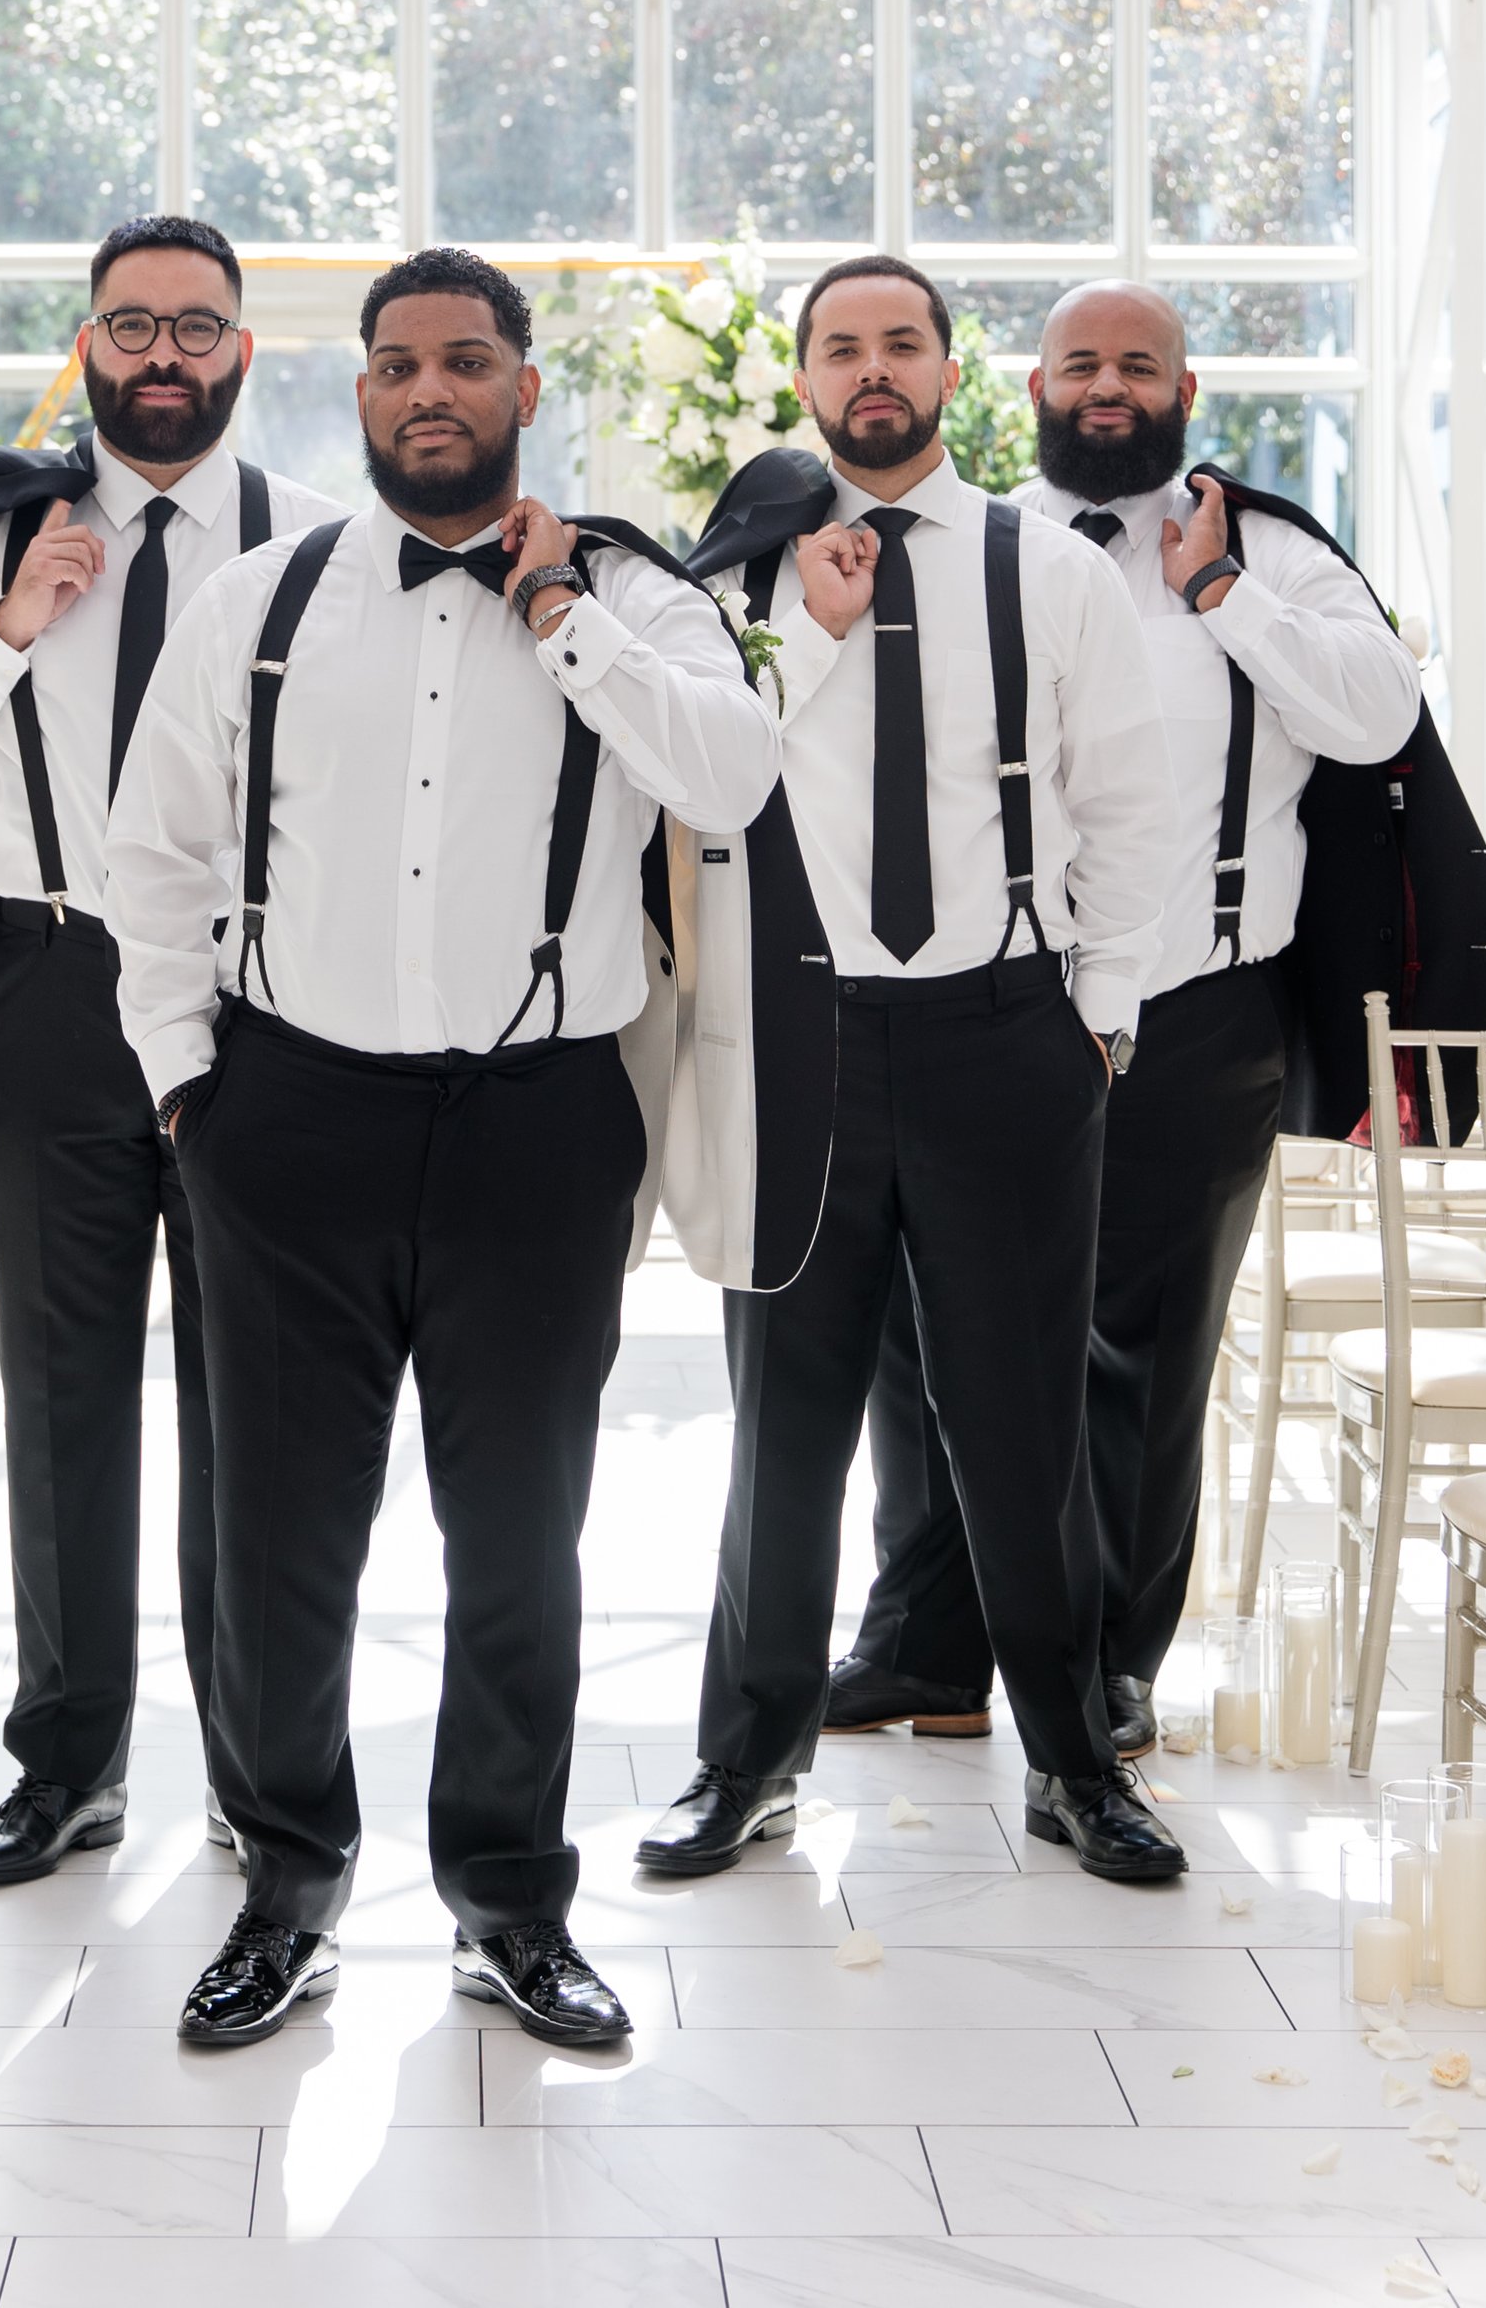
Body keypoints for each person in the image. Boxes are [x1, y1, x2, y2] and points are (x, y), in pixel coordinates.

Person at [107, 247, 780, 2050]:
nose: (429, 390)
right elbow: (156, 855)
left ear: (524, 387)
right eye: (398, 364)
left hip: (539, 1131)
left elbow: (730, 778)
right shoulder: (258, 598)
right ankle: (288, 1883)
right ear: (358, 392)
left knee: (520, 1537)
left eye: (465, 361)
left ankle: (506, 1899)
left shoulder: (639, 600)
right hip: (285, 1118)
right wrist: (188, 1087)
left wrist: (565, 617)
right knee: (276, 1540)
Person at [638, 252, 1187, 1892]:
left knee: (1019, 1422)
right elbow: (707, 777)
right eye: (839, 347)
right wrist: (799, 625)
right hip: (796, 1037)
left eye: (899, 343)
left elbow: (1135, 805)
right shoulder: (741, 571)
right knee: (783, 1421)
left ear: (955, 369)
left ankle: (1079, 1760)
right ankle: (747, 1762)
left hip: (1004, 1030)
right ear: (801, 377)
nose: (870, 370)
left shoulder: (1050, 569)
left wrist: (1100, 1015)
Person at [829, 282, 1420, 1757]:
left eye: (1135, 365)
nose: (1107, 386)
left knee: (1139, 1357)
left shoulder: (1272, 547)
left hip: (1201, 1007)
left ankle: (1103, 1661)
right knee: (931, 1336)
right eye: (1081, 363)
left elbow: (1377, 715)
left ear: (1185, 385)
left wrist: (1224, 593)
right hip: (998, 1005)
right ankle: (930, 1646)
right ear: (1027, 384)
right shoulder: (981, 543)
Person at [0, 218, 343, 1890]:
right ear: (89, 345)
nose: (165, 356)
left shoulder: (314, 543)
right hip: (52, 990)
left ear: (245, 353)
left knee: (250, 1400)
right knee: (61, 1392)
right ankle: (68, 1767)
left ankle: (256, 1771)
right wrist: (5, 628)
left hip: (249, 1004)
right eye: (133, 326)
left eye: (198, 327)